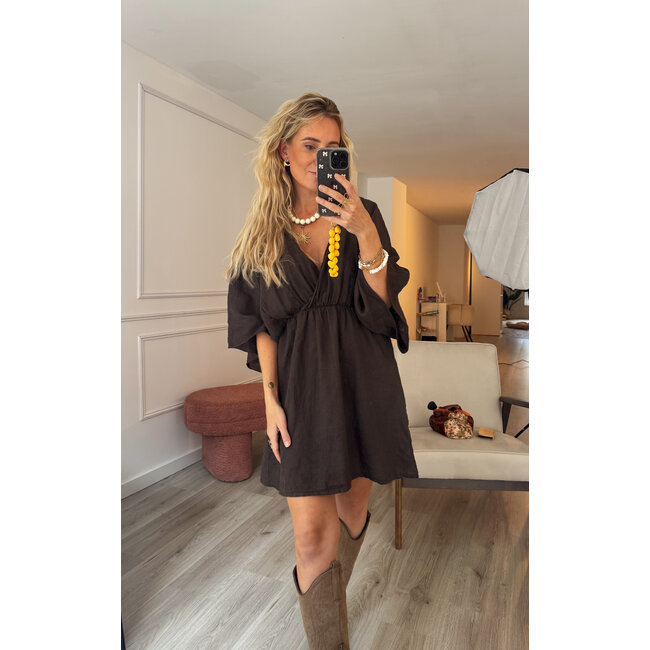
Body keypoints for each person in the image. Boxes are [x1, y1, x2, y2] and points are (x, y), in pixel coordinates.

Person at [225, 92, 418, 649]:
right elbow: (261, 325)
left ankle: (331, 600)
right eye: (310, 145)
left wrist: (365, 232)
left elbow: (380, 307)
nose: (320, 157)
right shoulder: (261, 232)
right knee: (312, 536)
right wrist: (270, 399)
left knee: (352, 513)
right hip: (302, 390)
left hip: (363, 380)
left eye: (333, 147)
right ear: (284, 151)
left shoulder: (363, 213)